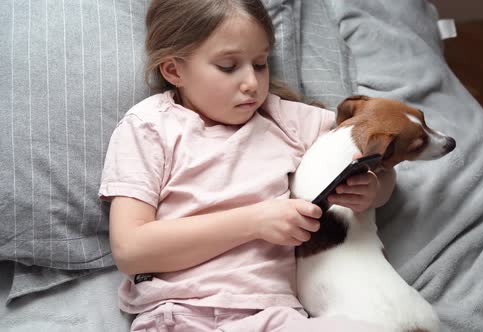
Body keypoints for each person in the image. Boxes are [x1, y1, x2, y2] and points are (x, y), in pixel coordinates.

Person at [99, 0, 395, 330]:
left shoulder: (285, 119)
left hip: (276, 317)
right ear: (173, 70)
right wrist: (254, 222)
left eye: (260, 64)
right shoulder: (149, 127)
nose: (252, 83)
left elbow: (376, 157)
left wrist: (375, 189)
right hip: (180, 313)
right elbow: (130, 249)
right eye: (228, 66)